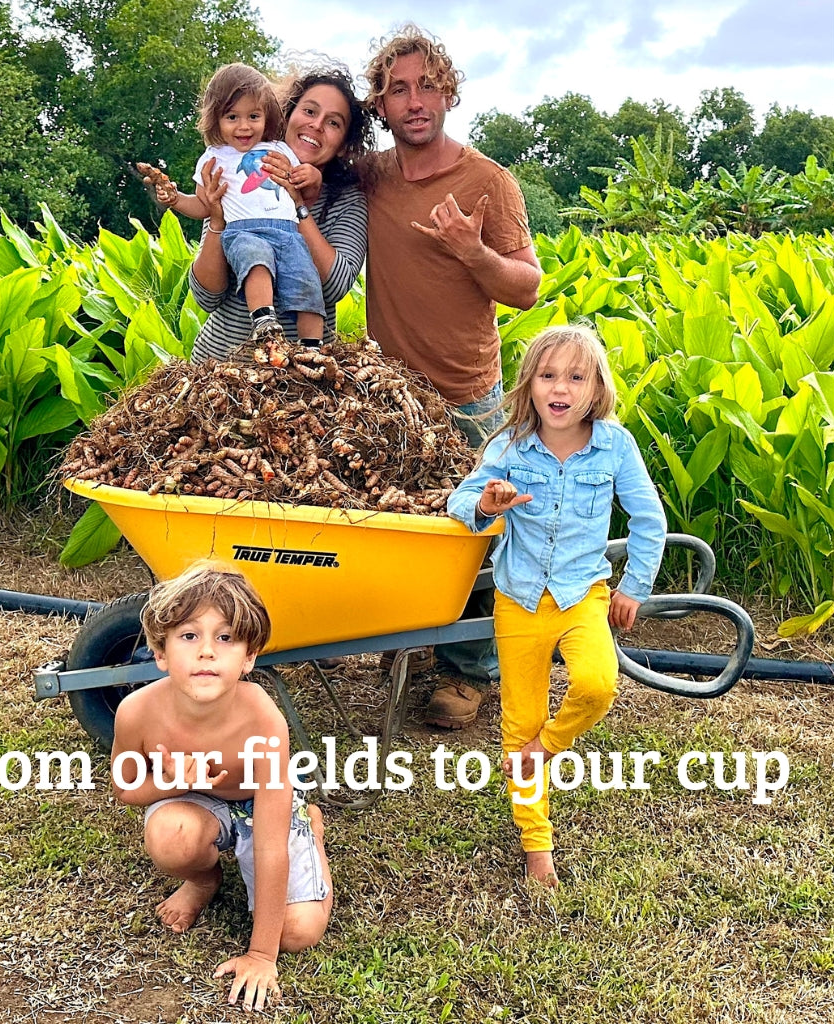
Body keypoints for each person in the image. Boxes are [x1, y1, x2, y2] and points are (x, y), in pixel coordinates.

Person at [358, 23, 544, 729]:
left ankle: (469, 671)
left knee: (477, 534)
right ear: (381, 103)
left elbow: (526, 287)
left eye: (426, 86)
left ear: (448, 94)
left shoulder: (488, 181)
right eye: (397, 88)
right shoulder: (370, 177)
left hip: (467, 395)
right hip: (389, 392)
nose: (414, 101)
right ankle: (408, 640)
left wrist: (472, 251)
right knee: (401, 528)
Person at [445, 325, 667, 888]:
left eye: (576, 376)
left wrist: (634, 586)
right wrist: (487, 503)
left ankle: (549, 747)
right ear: (530, 385)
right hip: (518, 599)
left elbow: (649, 519)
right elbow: (462, 499)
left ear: (596, 388)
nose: (560, 387)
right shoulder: (512, 444)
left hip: (581, 593)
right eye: (548, 375)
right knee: (519, 724)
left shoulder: (615, 445)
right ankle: (535, 841)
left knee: (597, 683)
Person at [108, 561, 333, 1011]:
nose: (207, 652)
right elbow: (125, 789)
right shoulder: (136, 712)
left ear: (248, 656)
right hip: (192, 801)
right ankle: (203, 879)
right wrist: (169, 783)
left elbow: (269, 844)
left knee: (299, 931)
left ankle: (313, 830)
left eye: (225, 637)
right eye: (189, 636)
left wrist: (261, 954)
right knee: (170, 838)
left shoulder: (262, 721)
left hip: (261, 805)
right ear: (160, 652)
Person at [143, 59, 373, 362]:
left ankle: (310, 350)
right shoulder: (236, 170)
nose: (316, 125)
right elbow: (207, 297)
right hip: (222, 368)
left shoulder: (347, 201)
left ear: (344, 143)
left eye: (333, 122)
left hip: (301, 381)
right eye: (309, 111)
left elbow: (333, 288)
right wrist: (216, 217)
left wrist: (299, 204)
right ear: (286, 116)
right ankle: (264, 325)